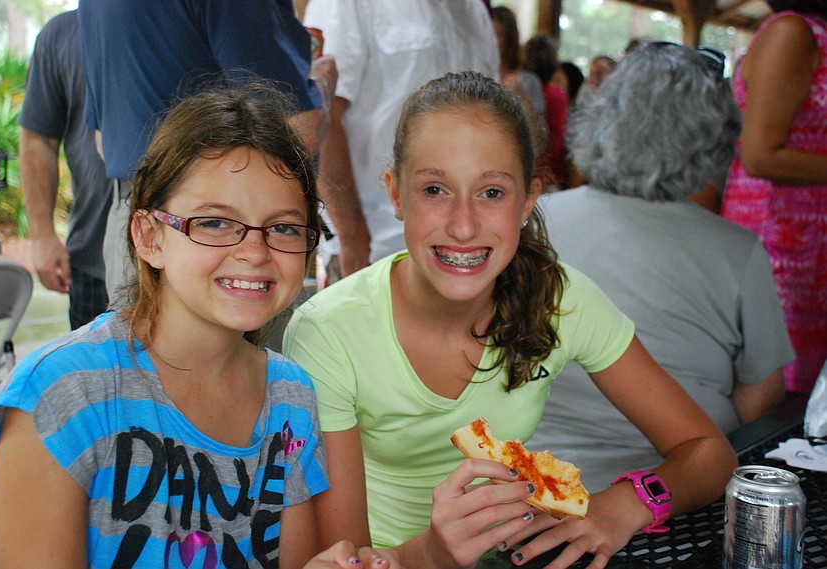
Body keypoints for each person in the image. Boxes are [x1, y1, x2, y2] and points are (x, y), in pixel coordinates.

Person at [284, 71, 737, 568]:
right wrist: (433, 553)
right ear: (395, 194)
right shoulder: (329, 332)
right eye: (435, 189)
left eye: (492, 193)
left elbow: (708, 452)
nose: (463, 225)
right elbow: (343, 559)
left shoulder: (559, 299)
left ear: (528, 200)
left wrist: (622, 505)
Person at [0, 81, 401, 569]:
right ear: (149, 237)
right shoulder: (62, 397)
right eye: (215, 222)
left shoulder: (291, 398)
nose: (255, 252)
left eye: (283, 228)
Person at [529, 42, 794, 492]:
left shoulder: (536, 218)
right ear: (716, 140)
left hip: (527, 483)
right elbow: (760, 409)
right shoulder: (738, 251)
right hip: (676, 497)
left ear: (602, 121)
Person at [77, 0, 327, 305]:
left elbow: (103, 141)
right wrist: (326, 86)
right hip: (226, 229)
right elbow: (297, 130)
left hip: (131, 221)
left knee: (136, 348)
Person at [302, 0, 499, 283]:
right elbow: (323, 118)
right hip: (376, 244)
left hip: (464, 245)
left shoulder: (472, 10)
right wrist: (351, 233)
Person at [721, 0, 827, 394]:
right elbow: (760, 155)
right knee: (784, 394)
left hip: (804, 245)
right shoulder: (792, 33)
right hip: (784, 244)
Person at [18, 10, 110, 329]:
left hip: (193, 254)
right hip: (92, 258)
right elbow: (37, 139)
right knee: (95, 376)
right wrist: (42, 235)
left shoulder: (196, 17)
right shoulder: (63, 33)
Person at [524, 34, 569, 189]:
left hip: (528, 172)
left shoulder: (520, 91)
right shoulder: (558, 95)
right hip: (550, 174)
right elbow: (557, 140)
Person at [491, 6, 546, 133]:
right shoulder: (473, 75)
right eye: (487, 34)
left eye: (497, 34)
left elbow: (539, 135)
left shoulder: (528, 81)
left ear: (510, 38)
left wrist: (521, 96)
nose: (491, 40)